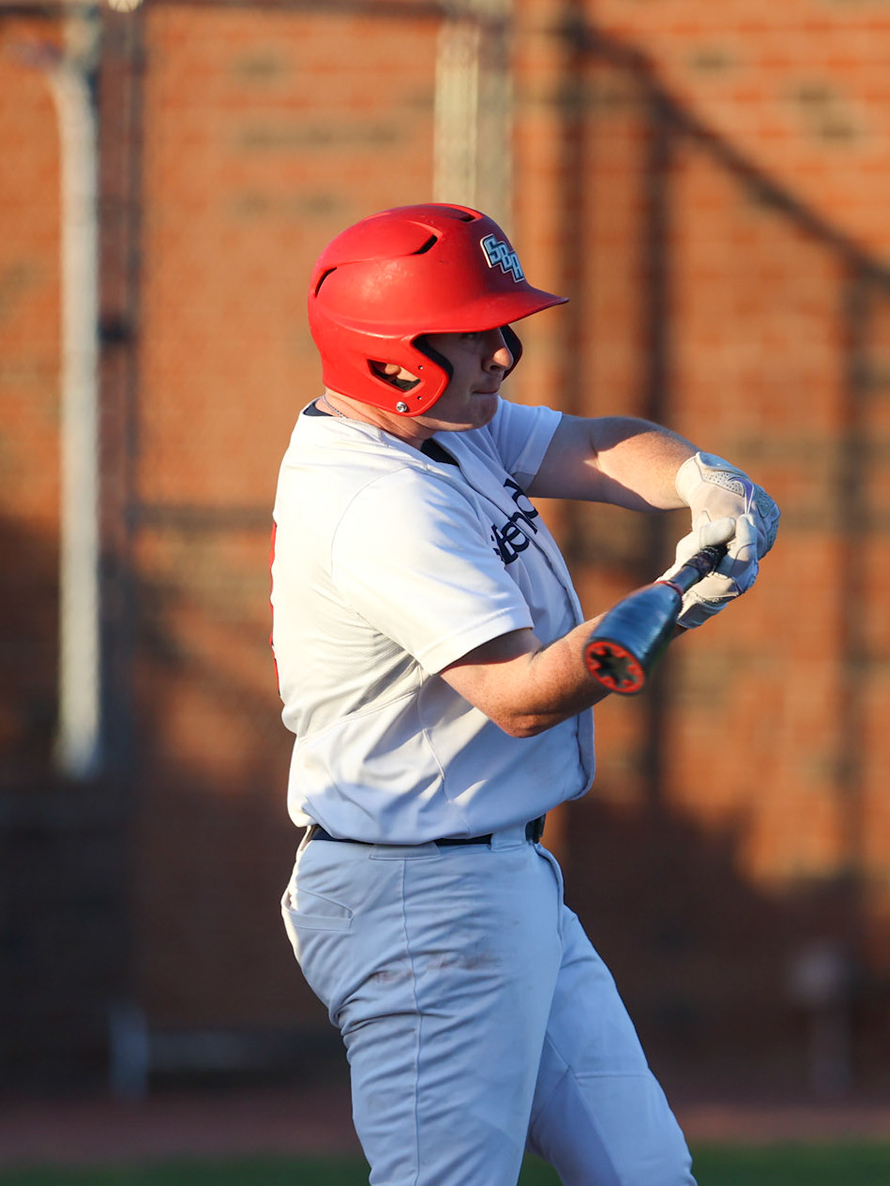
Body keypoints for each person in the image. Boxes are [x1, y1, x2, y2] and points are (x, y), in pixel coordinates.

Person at [270, 203, 778, 1186]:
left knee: (646, 1174)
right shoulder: (381, 499)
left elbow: (590, 443)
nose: (503, 352)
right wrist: (665, 607)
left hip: (495, 878)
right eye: (474, 333)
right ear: (393, 356)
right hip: (419, 902)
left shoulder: (440, 428)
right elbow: (514, 692)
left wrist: (701, 481)